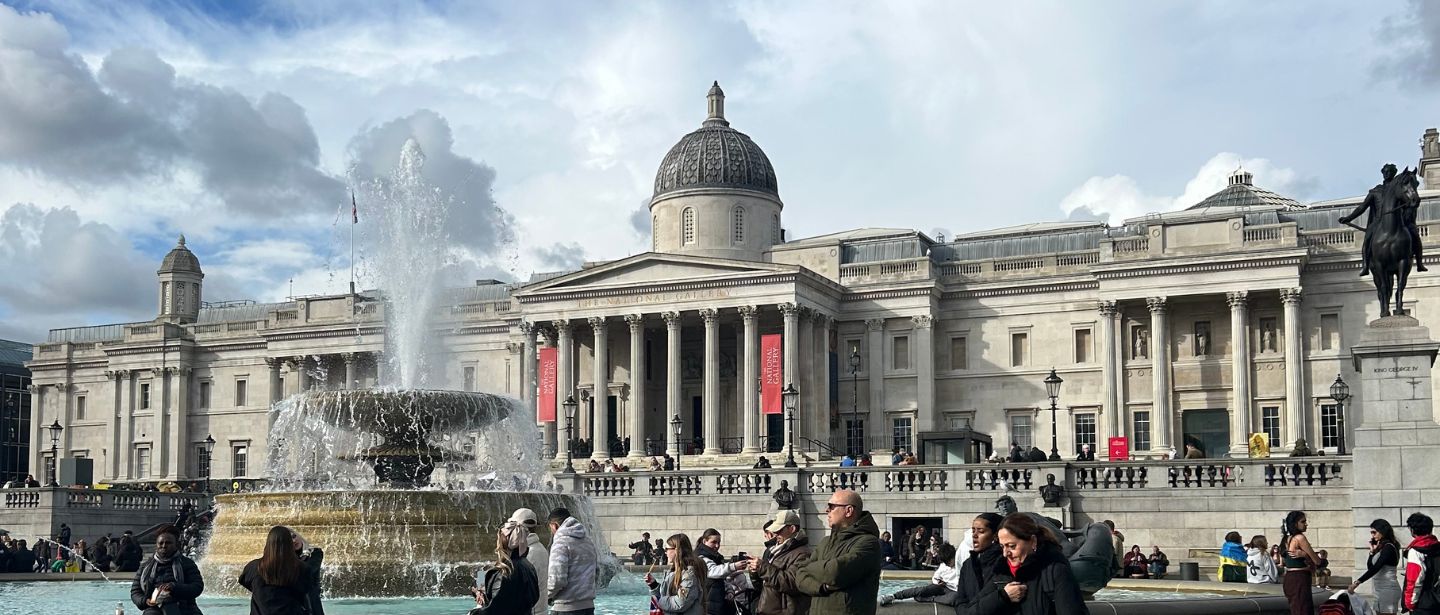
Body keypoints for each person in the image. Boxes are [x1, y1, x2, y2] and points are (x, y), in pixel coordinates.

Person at [793, 488, 882, 615]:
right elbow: (800, 576)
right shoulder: (825, 542)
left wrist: (808, 567)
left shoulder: (868, 543)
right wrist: (822, 588)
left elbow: (835, 571)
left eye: (831, 506)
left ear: (848, 511)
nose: (826, 510)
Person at [988, 513, 1089, 615]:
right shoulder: (1000, 573)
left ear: (1033, 541)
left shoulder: (1055, 571)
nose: (1005, 554)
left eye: (1011, 546)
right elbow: (973, 609)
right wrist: (1003, 597)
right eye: (1002, 546)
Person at [748, 509, 812, 615]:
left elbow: (792, 583)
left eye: (779, 530)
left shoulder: (803, 553)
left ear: (791, 529)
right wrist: (754, 572)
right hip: (769, 609)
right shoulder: (775, 550)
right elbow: (764, 585)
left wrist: (763, 567)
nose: (775, 534)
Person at [469, 520, 540, 615]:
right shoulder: (528, 566)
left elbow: (496, 609)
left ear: (502, 542)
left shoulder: (505, 571)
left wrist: (474, 612)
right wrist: (479, 590)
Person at [131, 527, 204, 615]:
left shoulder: (187, 563)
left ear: (176, 544)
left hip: (185, 607)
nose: (164, 546)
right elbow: (135, 591)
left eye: (168, 543)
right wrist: (145, 601)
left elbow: (197, 587)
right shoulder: (145, 566)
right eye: (161, 543)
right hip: (153, 608)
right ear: (156, 545)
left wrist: (174, 587)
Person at [546, 507, 597, 615]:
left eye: (551, 528)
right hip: (588, 606)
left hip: (566, 608)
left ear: (555, 525)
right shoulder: (588, 541)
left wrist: (546, 596)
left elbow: (557, 580)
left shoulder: (561, 543)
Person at [879, 542, 958, 606]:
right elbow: (935, 577)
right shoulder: (943, 566)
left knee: (954, 598)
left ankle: (931, 599)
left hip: (954, 591)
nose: (947, 564)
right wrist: (938, 582)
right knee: (921, 590)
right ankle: (893, 596)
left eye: (949, 561)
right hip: (943, 587)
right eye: (945, 562)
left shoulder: (961, 565)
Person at [1350, 518, 1402, 615]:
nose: (1372, 535)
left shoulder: (1389, 547)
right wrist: (1371, 552)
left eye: (1374, 532)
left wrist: (1357, 582)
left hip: (1388, 589)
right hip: (1379, 589)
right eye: (1371, 533)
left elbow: (1376, 567)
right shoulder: (1382, 547)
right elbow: (1371, 567)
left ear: (1382, 531)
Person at [646, 533, 706, 615]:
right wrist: (654, 585)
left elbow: (680, 603)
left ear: (677, 550)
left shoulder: (689, 574)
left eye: (667, 549)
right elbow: (668, 594)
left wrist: (658, 600)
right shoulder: (675, 571)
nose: (665, 552)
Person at [1281, 511, 1323, 615]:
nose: (1306, 524)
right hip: (1300, 578)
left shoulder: (1286, 539)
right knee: (1303, 609)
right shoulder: (1300, 538)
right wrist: (1305, 555)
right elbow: (1317, 561)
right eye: (1303, 521)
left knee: (1295, 608)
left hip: (1289, 578)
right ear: (1295, 524)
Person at [696, 529, 744, 615]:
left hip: (716, 602)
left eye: (719, 542)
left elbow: (722, 579)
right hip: (707, 604)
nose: (717, 545)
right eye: (713, 542)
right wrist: (733, 566)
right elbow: (713, 571)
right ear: (704, 541)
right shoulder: (701, 557)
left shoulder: (714, 557)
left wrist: (730, 590)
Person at [1402, 512, 1440, 615]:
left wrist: (1409, 603)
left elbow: (1414, 580)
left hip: (1423, 603)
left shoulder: (1416, 551)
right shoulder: (1437, 546)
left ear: (1413, 530)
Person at [294, 530, 324, 615]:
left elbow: (307, 571)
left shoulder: (315, 552)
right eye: (289, 540)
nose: (293, 541)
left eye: (294, 536)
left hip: (312, 601)